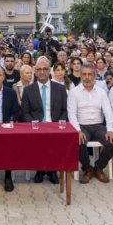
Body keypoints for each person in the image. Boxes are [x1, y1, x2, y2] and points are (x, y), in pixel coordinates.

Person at [67, 64, 113, 184]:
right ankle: (87, 168)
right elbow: (71, 114)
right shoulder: (74, 93)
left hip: (98, 126)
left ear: (95, 76)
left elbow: (108, 112)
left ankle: (98, 167)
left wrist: (110, 130)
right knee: (78, 141)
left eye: (90, 74)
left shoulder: (101, 92)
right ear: (80, 76)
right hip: (81, 126)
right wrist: (78, 130)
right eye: (84, 74)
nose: (87, 77)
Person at [20, 56, 66, 185]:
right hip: (36, 125)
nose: (42, 72)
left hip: (55, 124)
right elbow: (25, 112)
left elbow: (64, 110)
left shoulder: (60, 88)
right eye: (39, 69)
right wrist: (34, 124)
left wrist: (59, 124)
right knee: (38, 140)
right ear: (35, 71)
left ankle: (52, 170)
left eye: (45, 69)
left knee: (56, 140)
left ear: (50, 70)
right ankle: (40, 169)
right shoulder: (29, 90)